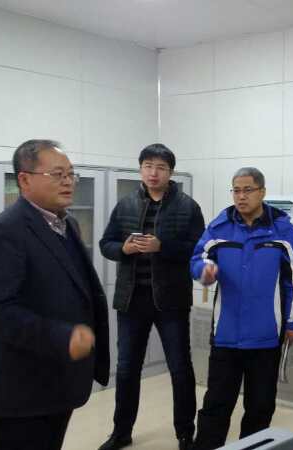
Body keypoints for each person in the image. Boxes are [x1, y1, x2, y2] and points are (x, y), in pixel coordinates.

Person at [0, 139, 110, 450]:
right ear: (24, 180)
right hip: (25, 389)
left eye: (71, 174)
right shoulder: (6, 231)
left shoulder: (67, 223)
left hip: (60, 380)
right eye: (57, 174)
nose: (68, 181)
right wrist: (62, 336)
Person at [189, 167, 293, 450]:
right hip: (226, 335)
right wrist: (203, 270)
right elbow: (197, 259)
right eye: (236, 190)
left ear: (262, 192)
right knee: (216, 405)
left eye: (247, 190)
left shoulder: (283, 231)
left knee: (260, 407)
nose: (241, 196)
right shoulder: (219, 228)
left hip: (266, 337)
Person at [98, 143, 204, 450]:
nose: (153, 173)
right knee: (126, 370)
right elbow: (106, 243)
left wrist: (163, 247)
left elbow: (200, 250)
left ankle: (185, 432)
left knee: (180, 368)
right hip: (131, 299)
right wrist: (123, 249)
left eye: (160, 167)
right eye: (147, 166)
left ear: (170, 172)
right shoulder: (126, 204)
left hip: (171, 301)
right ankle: (121, 432)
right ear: (140, 168)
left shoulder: (188, 207)